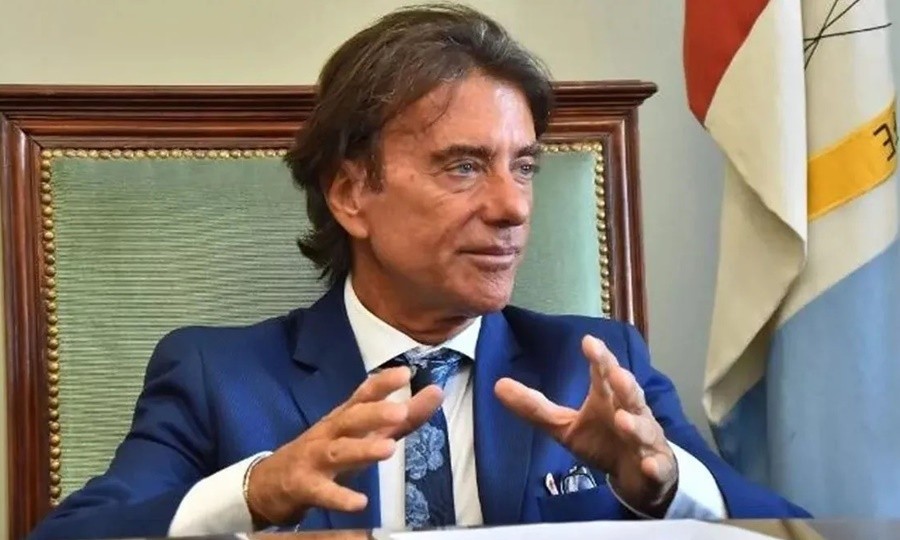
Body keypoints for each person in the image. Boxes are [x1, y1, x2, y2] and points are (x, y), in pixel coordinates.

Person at [29, 4, 809, 540]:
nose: (513, 207)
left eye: (524, 166)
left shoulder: (592, 367)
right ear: (351, 193)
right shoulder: (217, 376)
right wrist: (256, 492)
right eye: (463, 166)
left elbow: (793, 530)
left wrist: (663, 486)